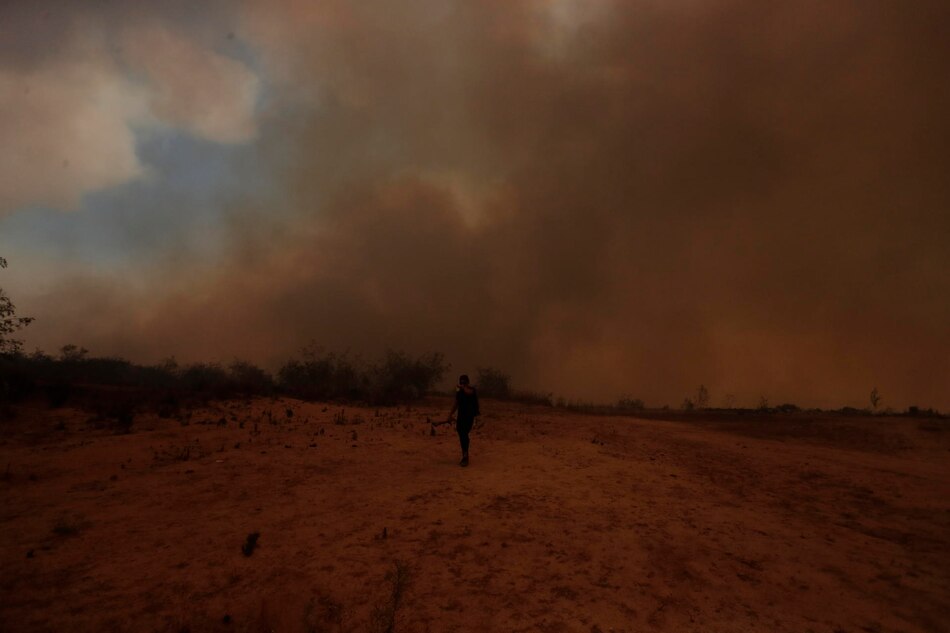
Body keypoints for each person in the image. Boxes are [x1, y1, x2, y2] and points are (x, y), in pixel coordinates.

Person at [447, 374, 479, 467]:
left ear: (467, 382)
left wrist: (463, 387)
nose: (462, 383)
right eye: (461, 382)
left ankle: (465, 455)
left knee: (464, 434)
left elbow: (469, 392)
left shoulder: (472, 390)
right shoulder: (459, 392)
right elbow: (456, 403)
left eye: (464, 382)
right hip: (461, 416)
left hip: (469, 416)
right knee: (461, 434)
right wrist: (450, 414)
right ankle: (465, 454)